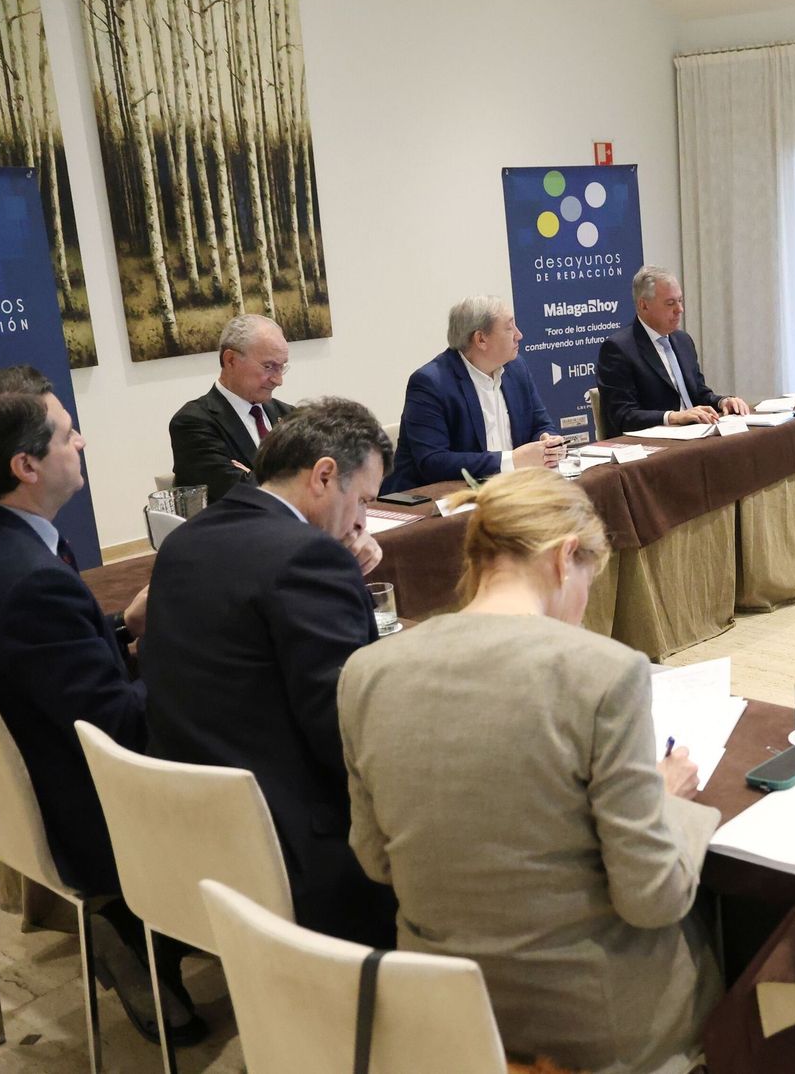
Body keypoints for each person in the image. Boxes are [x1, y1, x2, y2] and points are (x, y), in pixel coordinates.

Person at [337, 469, 718, 1074]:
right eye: (591, 580)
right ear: (567, 557)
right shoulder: (604, 672)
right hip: (587, 1026)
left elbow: (376, 859)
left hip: (446, 1011)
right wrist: (669, 799)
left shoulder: (366, 670)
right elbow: (653, 898)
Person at [0, 366, 202, 1043]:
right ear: (26, 464)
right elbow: (126, 731)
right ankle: (164, 925)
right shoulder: (32, 581)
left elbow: (17, 662)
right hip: (80, 812)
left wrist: (121, 632)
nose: (82, 443)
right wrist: (185, 653)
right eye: (70, 436)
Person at [143, 398, 398, 949]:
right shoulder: (306, 558)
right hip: (291, 846)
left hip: (186, 828)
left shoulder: (186, 539)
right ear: (324, 475)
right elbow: (346, 731)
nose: (361, 522)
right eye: (363, 502)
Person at [384, 296, 563, 492]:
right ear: (481, 339)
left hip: (508, 491)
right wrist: (511, 460)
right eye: (509, 328)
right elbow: (432, 462)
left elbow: (541, 424)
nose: (519, 335)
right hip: (434, 504)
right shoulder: (430, 383)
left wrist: (548, 441)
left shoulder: (516, 368)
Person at [595, 265, 751, 436]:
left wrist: (723, 402)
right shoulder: (619, 349)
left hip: (695, 435)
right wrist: (673, 417)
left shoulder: (683, 340)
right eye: (670, 303)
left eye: (680, 301)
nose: (680, 310)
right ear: (643, 305)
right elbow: (623, 415)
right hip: (654, 446)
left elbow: (698, 393)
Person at [169, 314, 295, 503]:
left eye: (281, 367)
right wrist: (295, 477)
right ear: (230, 360)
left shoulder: (289, 415)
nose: (278, 380)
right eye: (269, 367)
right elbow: (241, 496)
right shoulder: (193, 423)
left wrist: (253, 476)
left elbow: (324, 481)